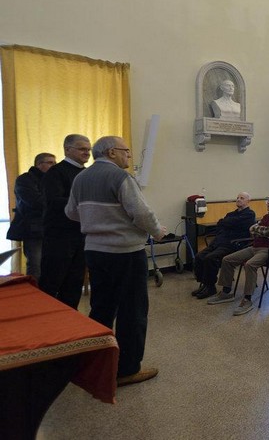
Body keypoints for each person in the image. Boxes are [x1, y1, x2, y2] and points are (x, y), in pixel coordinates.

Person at [65, 136, 167, 386]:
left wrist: (97, 222)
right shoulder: (120, 177)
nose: (128, 156)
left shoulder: (81, 177)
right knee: (132, 310)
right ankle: (127, 370)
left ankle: (97, 362)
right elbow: (142, 212)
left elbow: (70, 212)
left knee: (101, 307)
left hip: (95, 251)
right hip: (125, 252)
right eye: (126, 152)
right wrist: (157, 231)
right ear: (111, 152)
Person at [208, 194, 269, 315]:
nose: (268, 203)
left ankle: (247, 299)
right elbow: (252, 229)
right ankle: (226, 293)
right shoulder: (266, 216)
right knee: (227, 259)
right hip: (254, 247)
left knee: (250, 265)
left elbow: (262, 229)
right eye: (267, 201)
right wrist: (267, 233)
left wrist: (263, 231)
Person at [38, 134, 92, 309]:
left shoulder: (87, 173)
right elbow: (55, 202)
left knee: (74, 282)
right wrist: (86, 203)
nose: (87, 152)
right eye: (82, 149)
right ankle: (47, 323)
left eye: (89, 149)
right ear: (67, 150)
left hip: (81, 235)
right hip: (59, 237)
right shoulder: (56, 172)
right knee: (52, 281)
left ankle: (71, 321)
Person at [193, 192, 256, 298]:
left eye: (242, 198)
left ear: (248, 201)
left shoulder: (249, 214)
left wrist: (225, 222)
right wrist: (226, 222)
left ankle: (210, 287)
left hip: (234, 244)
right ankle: (204, 283)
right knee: (199, 256)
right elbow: (220, 224)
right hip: (219, 241)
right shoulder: (231, 214)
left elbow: (226, 222)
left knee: (210, 258)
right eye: (237, 198)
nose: (238, 199)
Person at [6, 152, 56, 280]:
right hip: (33, 228)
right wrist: (56, 202)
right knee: (35, 264)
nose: (54, 166)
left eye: (55, 163)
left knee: (51, 264)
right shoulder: (25, 179)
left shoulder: (53, 179)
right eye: (50, 163)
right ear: (39, 164)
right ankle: (36, 295)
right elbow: (35, 201)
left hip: (51, 227)